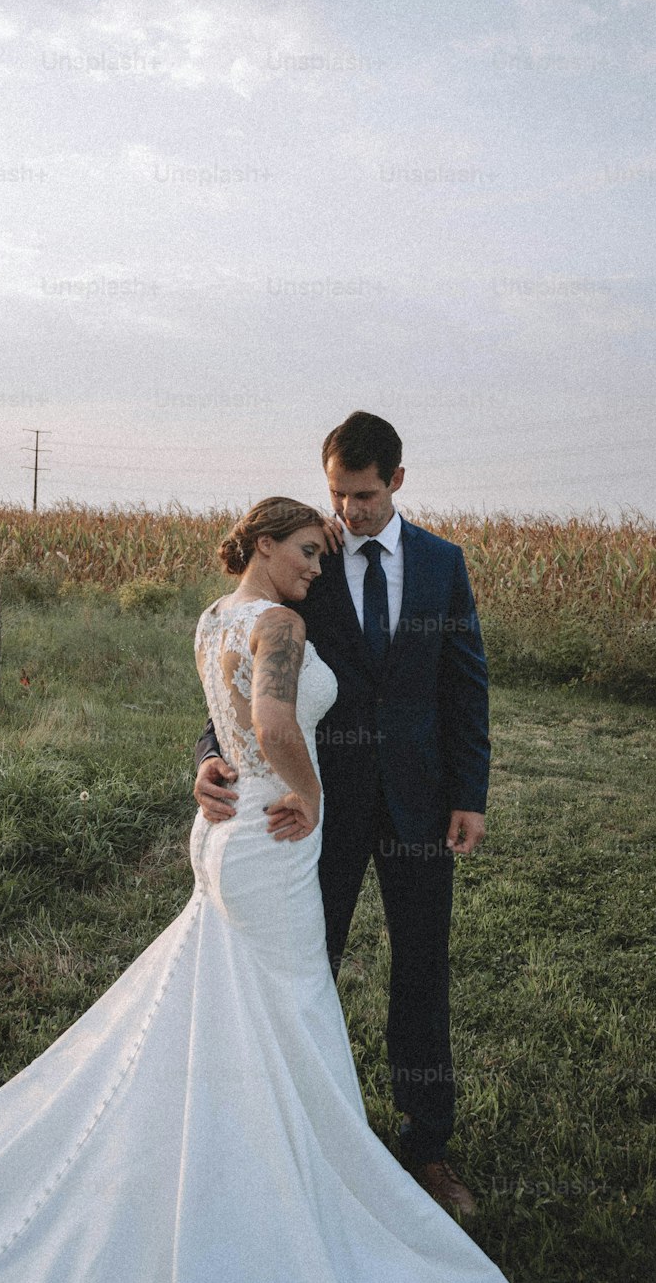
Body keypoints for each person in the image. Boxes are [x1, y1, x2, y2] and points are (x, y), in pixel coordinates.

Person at [0, 496, 520, 1283]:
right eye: (305, 548)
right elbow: (266, 720)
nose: (317, 563)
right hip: (274, 838)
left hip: (240, 836)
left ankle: (246, 1143)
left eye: (321, 550)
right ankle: (284, 1171)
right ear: (266, 544)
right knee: (292, 1001)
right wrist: (310, 792)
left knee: (236, 1000)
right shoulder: (285, 625)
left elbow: (243, 707)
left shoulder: (212, 617)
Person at [195, 412, 491, 1216]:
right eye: (336, 493)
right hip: (311, 810)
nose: (348, 511)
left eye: (362, 494)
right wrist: (208, 754)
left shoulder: (440, 565)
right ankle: (292, 1130)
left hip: (422, 802)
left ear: (396, 481)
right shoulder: (307, 562)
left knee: (422, 968)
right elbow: (247, 668)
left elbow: (464, 683)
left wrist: (470, 792)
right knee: (303, 964)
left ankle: (426, 1146)